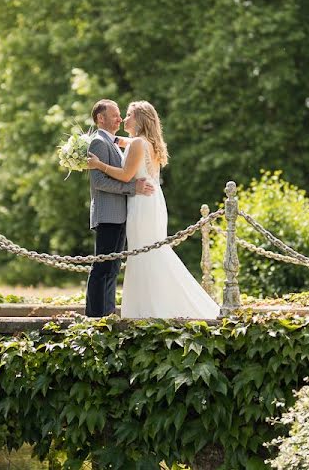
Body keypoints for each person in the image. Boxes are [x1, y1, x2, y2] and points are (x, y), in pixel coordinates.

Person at [87, 101, 220, 319]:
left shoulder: (138, 143)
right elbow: (119, 142)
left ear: (139, 119)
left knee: (145, 253)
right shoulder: (145, 142)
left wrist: (98, 165)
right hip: (151, 201)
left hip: (142, 203)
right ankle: (151, 306)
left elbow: (126, 176)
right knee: (150, 252)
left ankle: (149, 309)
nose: (123, 119)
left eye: (128, 115)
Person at [86, 99, 154, 317]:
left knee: (113, 269)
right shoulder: (98, 143)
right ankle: (95, 317)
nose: (119, 118)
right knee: (102, 268)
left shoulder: (113, 142)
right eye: (115, 115)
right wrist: (132, 188)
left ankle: (107, 314)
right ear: (100, 118)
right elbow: (99, 182)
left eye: (121, 115)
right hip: (108, 214)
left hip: (120, 214)